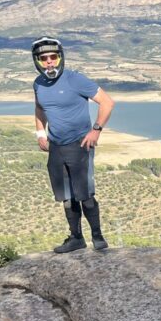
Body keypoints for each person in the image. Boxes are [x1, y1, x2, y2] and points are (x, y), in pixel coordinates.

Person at [31, 36, 115, 253]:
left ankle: (98, 236)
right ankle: (76, 238)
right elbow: (40, 109)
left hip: (80, 145)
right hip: (56, 147)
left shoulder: (75, 80)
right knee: (66, 196)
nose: (49, 62)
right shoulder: (38, 84)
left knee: (85, 193)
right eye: (44, 59)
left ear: (60, 58)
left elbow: (107, 102)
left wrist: (96, 130)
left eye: (53, 57)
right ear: (37, 61)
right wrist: (41, 132)